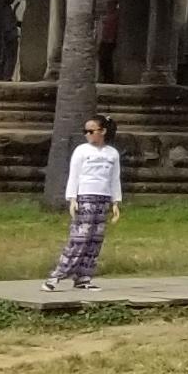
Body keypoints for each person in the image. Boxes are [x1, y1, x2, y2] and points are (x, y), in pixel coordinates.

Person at [47, 115, 122, 289]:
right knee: (81, 237)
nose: (88, 134)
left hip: (103, 197)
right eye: (85, 132)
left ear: (102, 131)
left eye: (91, 131)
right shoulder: (82, 150)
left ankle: (84, 276)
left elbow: (114, 178)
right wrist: (72, 198)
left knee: (96, 238)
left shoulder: (112, 153)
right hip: (85, 196)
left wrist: (115, 201)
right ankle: (57, 275)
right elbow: (74, 175)